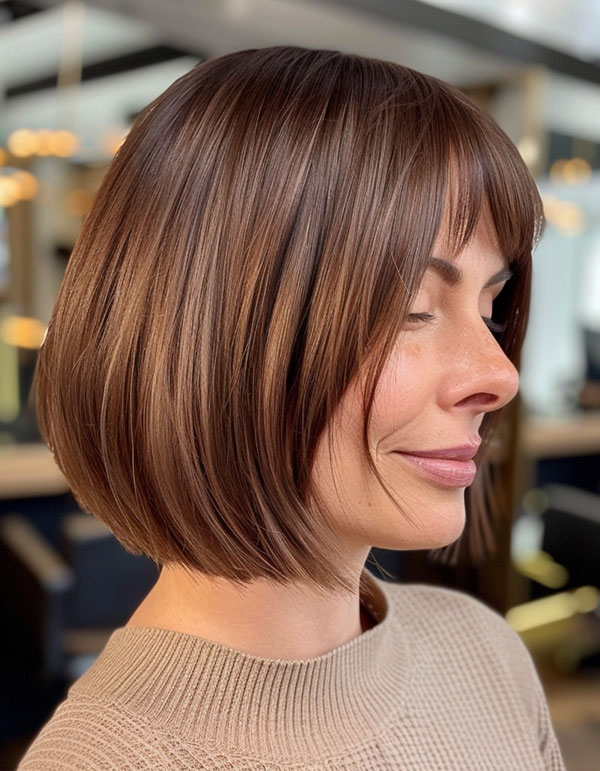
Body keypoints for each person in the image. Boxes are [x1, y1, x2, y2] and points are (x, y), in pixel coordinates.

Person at [17, 46, 566, 770]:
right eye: (411, 306)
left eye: (492, 309)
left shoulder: (485, 651)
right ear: (215, 337)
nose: (499, 375)